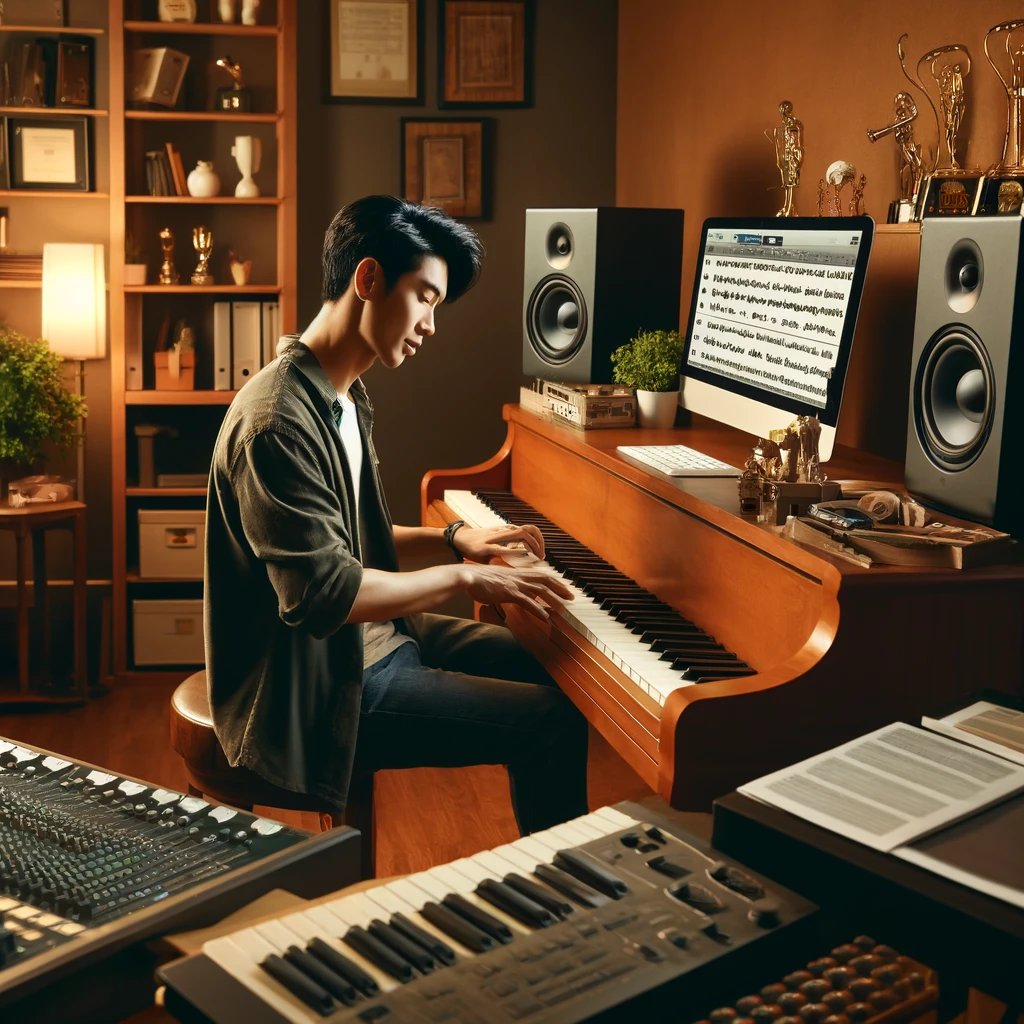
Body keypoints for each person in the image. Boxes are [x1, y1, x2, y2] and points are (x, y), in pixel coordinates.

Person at [204, 195, 589, 836]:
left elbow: (359, 545)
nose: (432, 325)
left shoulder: (342, 396)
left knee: (559, 661)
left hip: (382, 640)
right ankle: (563, 908)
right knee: (547, 721)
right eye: (427, 298)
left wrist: (458, 539)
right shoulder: (275, 422)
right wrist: (469, 580)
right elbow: (325, 594)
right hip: (313, 685)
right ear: (369, 279)